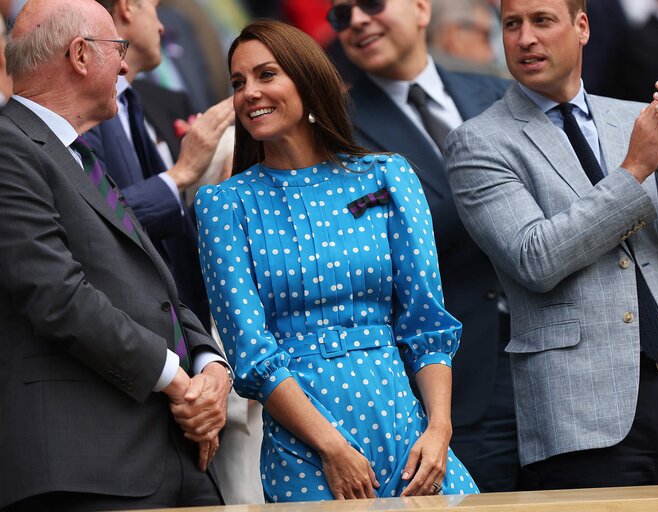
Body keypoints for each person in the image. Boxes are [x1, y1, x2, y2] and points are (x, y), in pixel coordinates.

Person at [195, 19, 478, 502]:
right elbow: (251, 352)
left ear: (307, 80)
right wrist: (332, 447)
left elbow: (426, 326)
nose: (249, 93)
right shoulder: (223, 204)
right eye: (238, 82)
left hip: (409, 434)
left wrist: (439, 432)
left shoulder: (387, 176)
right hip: (306, 448)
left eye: (266, 75)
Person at [0, 0, 231, 509]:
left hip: (173, 456)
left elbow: (155, 283)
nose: (126, 66)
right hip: (87, 466)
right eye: (117, 49)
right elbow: (57, 295)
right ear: (80, 55)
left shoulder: (77, 154)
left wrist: (212, 368)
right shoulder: (8, 146)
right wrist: (177, 380)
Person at [447, 0, 658, 490]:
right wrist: (635, 169)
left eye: (541, 21)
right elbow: (536, 258)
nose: (526, 38)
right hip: (583, 412)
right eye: (512, 24)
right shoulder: (478, 142)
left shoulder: (633, 118)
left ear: (582, 27)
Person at [329, 0, 518, 492]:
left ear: (420, 7)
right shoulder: (335, 129)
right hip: (449, 381)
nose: (356, 21)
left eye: (370, 4)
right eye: (340, 15)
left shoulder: (498, 93)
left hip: (548, 355)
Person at [85, 0, 234, 330]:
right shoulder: (85, 111)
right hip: (136, 330)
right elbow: (95, 223)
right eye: (153, 8)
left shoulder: (133, 100)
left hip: (189, 321)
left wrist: (217, 191)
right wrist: (183, 172)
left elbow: (170, 229)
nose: (163, 26)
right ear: (127, 8)